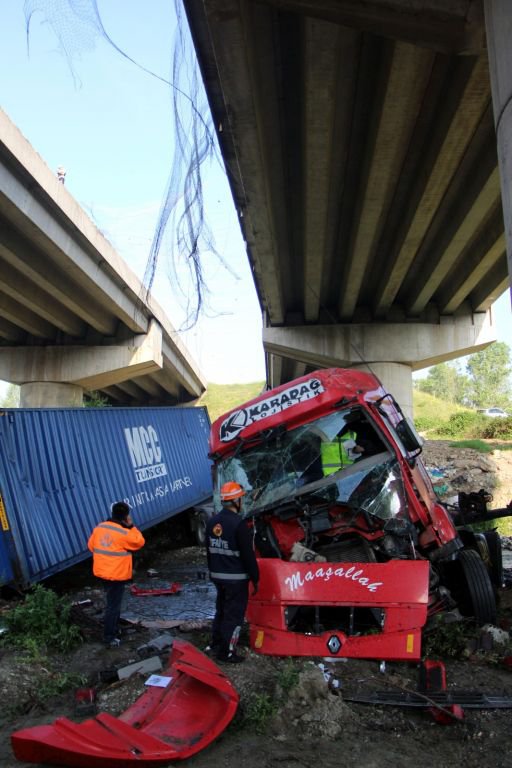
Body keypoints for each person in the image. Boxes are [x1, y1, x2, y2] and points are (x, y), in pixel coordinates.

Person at [205, 481, 259, 663]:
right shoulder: (239, 524)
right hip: (236, 579)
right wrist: (256, 578)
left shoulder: (212, 522)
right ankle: (226, 652)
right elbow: (248, 556)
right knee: (234, 615)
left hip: (218, 577)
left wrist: (213, 573)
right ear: (236, 501)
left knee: (220, 610)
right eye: (241, 499)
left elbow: (209, 551)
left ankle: (215, 643)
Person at [88, 501, 145, 647]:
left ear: (112, 513)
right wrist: (131, 526)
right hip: (116, 575)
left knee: (112, 603)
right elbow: (139, 542)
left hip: (102, 573)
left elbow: (91, 546)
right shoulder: (124, 533)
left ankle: (114, 629)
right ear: (126, 517)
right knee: (113, 606)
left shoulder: (99, 528)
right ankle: (109, 636)